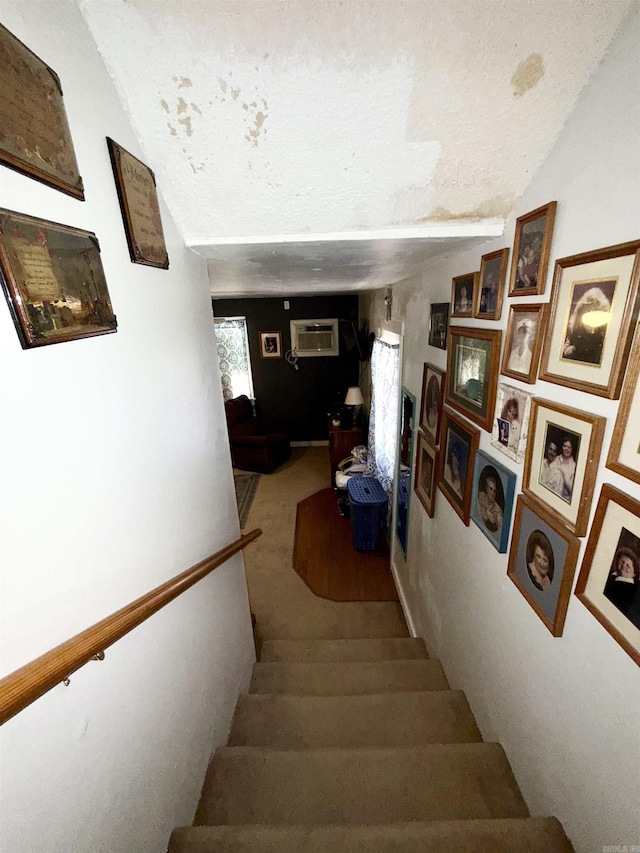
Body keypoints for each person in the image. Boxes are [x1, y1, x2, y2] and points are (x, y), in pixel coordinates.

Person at [563, 286, 611, 365]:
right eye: (588, 311)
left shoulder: (604, 335)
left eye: (596, 311)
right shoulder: (576, 332)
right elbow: (564, 353)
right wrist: (569, 351)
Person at [603, 546, 639, 616]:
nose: (623, 567)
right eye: (622, 562)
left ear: (634, 573)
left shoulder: (633, 590)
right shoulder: (610, 577)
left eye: (628, 566)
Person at [552, 435, 577, 501]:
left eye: (569, 447)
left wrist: (564, 475)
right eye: (564, 446)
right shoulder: (557, 458)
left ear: (572, 449)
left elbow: (572, 490)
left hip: (563, 499)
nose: (566, 449)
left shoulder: (573, 466)